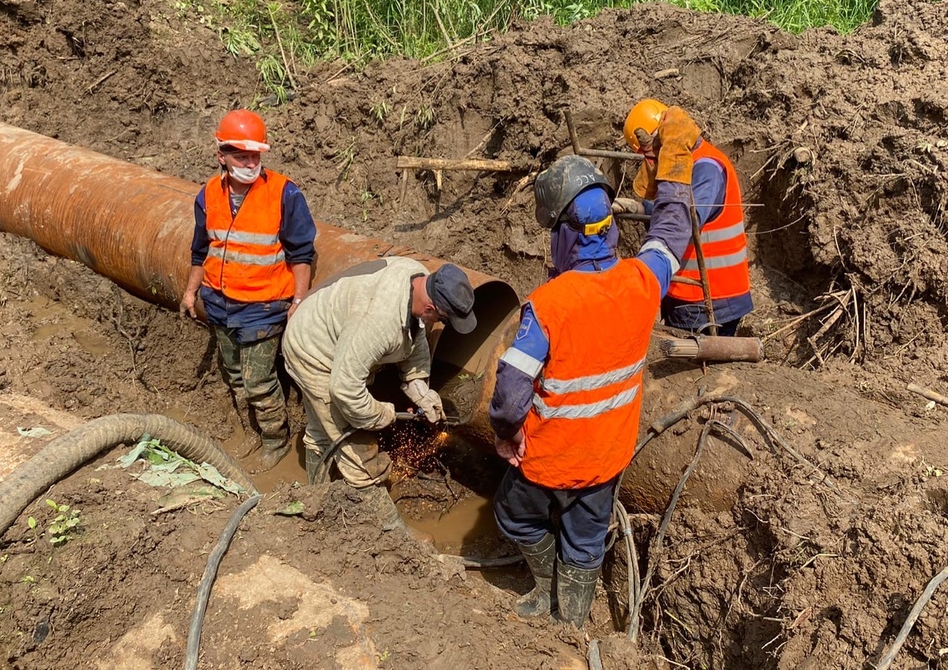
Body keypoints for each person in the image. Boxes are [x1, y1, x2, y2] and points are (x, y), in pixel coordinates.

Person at [487, 115, 697, 628]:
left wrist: (504, 435)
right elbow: (673, 231)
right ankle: (573, 623)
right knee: (585, 539)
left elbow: (512, 392)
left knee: (513, 514)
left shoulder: (549, 304)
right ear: (608, 228)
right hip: (607, 454)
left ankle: (544, 590)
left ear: (564, 234)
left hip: (550, 455)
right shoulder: (643, 282)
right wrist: (673, 172)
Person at [283, 258, 476, 530]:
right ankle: (392, 530)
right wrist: (380, 415)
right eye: (442, 320)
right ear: (431, 307)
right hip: (312, 354)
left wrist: (420, 388)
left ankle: (315, 495)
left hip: (337, 336)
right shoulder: (377, 322)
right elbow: (345, 389)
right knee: (359, 452)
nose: (439, 324)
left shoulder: (418, 279)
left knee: (322, 430)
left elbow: (416, 334)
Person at [179, 109, 315, 471]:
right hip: (219, 302)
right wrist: (191, 292)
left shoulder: (284, 194)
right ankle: (252, 431)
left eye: (255, 156)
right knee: (235, 375)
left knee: (257, 381)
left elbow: (303, 253)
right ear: (220, 154)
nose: (250, 163)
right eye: (241, 156)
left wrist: (298, 300)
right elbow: (200, 249)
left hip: (263, 306)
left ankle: (276, 440)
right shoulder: (208, 194)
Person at [613, 99, 753, 337]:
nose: (650, 161)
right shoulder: (695, 164)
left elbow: (682, 218)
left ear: (662, 138)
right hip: (689, 293)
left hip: (710, 299)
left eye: (650, 151)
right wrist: (641, 208)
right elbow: (674, 205)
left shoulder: (706, 168)